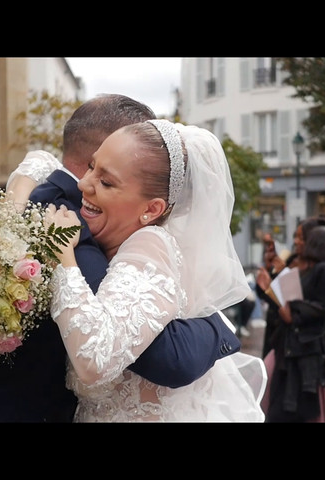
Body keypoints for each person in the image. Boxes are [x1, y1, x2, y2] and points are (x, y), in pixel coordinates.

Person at [0, 94, 242, 422]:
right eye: (93, 167)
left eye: (106, 178)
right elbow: (169, 359)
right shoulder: (72, 227)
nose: (90, 184)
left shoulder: (36, 198)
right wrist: (219, 325)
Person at [44, 119, 266, 421]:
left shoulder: (150, 245)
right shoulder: (119, 244)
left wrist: (62, 254)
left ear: (152, 209)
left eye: (106, 182)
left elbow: (95, 358)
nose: (83, 184)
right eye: (91, 167)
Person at [261, 223, 325, 422]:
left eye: (302, 239)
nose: (298, 242)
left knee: (300, 407)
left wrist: (294, 314)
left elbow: (323, 307)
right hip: (293, 346)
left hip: (309, 350)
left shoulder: (324, 270)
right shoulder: (306, 268)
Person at [256, 215, 325, 359]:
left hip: (306, 348)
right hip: (281, 337)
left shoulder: (322, 269)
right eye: (295, 236)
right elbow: (272, 299)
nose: (295, 241)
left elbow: (320, 309)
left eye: (301, 237)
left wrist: (293, 317)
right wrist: (269, 274)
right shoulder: (290, 260)